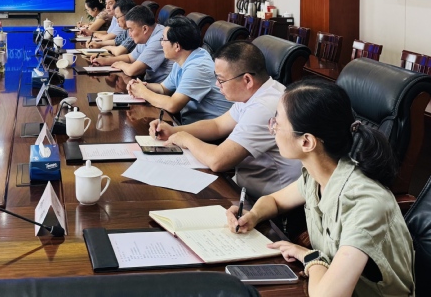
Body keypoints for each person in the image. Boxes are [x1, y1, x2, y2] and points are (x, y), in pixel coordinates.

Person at [228, 79, 415, 297]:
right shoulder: (318, 175)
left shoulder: (365, 203)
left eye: (277, 123)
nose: (272, 128)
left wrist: (312, 258)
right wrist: (252, 215)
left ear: (307, 142)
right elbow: (275, 201)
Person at [148, 41, 301, 198]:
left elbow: (217, 161)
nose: (217, 84)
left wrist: (185, 139)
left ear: (247, 80)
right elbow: (217, 125)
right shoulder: (257, 92)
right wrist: (174, 130)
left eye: (221, 80)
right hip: (242, 187)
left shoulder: (264, 107)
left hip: (266, 200)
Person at [130, 17, 231, 124]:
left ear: (177, 46)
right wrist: (141, 86)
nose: (161, 43)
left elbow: (173, 105)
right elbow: (163, 89)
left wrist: (143, 92)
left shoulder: (198, 67)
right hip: (191, 123)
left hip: (213, 129)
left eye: (163, 39)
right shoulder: (184, 59)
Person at [90, 5, 171, 82]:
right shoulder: (147, 35)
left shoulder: (160, 39)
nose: (129, 34)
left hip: (159, 88)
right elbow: (130, 57)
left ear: (145, 29)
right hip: (149, 84)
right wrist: (105, 61)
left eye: (131, 29)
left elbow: (132, 70)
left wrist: (120, 64)